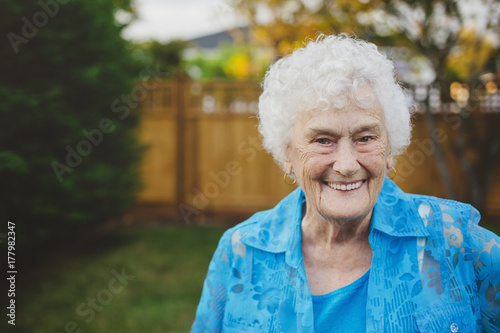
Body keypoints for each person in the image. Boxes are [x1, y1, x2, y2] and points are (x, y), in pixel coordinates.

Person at [191, 34, 500, 332]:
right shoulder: (241, 251)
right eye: (323, 140)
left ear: (389, 148)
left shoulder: (456, 243)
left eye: (365, 138)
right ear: (287, 153)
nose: (347, 165)